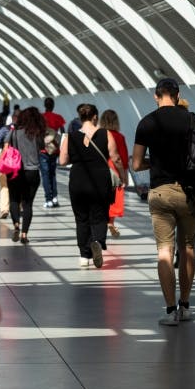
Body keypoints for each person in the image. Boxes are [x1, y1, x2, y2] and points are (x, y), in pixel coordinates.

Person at [132, 78, 195, 326]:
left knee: (164, 251)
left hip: (160, 192)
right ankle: (186, 305)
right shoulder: (190, 120)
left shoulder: (147, 122)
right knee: (189, 248)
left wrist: (155, 163)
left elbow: (137, 164)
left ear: (156, 95)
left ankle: (170, 311)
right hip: (188, 192)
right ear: (178, 94)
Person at [59, 103, 120, 268]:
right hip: (100, 180)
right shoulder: (105, 134)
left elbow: (62, 161)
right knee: (99, 215)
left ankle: (84, 256)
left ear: (80, 117)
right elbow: (115, 157)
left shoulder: (70, 136)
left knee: (81, 219)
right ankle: (98, 242)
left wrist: (77, 157)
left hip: (78, 180)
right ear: (95, 117)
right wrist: (121, 175)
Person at [3, 107, 44, 243]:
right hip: (32, 171)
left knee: (14, 200)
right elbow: (42, 148)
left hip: (15, 170)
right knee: (28, 204)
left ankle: (16, 225)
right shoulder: (37, 134)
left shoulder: (13, 133)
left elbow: (5, 148)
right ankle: (24, 234)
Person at [99, 109, 129, 237]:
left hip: (100, 169)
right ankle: (110, 222)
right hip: (115, 169)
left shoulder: (98, 135)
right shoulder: (119, 137)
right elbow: (122, 157)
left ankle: (102, 222)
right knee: (114, 198)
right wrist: (124, 176)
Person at [40, 98, 66, 208]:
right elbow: (63, 132)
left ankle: (48, 199)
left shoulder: (40, 117)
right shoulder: (58, 118)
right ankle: (55, 197)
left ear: (45, 105)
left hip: (43, 149)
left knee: (45, 174)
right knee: (52, 173)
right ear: (53, 106)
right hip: (54, 149)